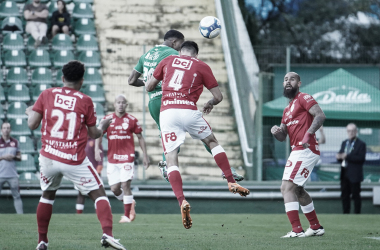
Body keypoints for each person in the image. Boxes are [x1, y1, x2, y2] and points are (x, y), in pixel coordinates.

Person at [146, 41, 250, 229]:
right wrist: (210, 102)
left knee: (171, 158)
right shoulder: (201, 65)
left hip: (168, 112)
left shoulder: (168, 60)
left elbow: (148, 86)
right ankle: (231, 181)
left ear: (180, 52)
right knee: (211, 141)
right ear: (196, 54)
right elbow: (218, 97)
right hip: (188, 110)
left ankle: (181, 201)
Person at [25, 61, 126, 250]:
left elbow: (32, 124)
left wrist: (30, 111)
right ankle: (108, 234)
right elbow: (94, 134)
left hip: (49, 157)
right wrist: (104, 126)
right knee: (99, 194)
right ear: (82, 81)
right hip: (73, 158)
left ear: (63, 78)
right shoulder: (85, 100)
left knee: (47, 195)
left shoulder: (47, 94)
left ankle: (42, 241)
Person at [128, 30, 244, 182]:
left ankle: (166, 166)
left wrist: (147, 83)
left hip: (153, 103)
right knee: (207, 138)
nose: (181, 50)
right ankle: (228, 170)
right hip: (171, 100)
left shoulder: (147, 55)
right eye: (180, 45)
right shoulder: (173, 55)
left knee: (167, 136)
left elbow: (131, 80)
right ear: (175, 42)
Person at [270, 72, 326, 238]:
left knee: (286, 187)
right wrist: (276, 132)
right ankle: (316, 227)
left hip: (305, 148)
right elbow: (282, 137)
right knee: (298, 190)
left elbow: (320, 115)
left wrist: (308, 133)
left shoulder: (304, 98)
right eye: (285, 79)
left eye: (292, 79)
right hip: (298, 150)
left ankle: (296, 230)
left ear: (299, 83)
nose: (288, 81)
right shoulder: (287, 109)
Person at [95, 95, 150, 223]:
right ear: (114, 104)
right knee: (114, 189)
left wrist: (145, 155)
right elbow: (98, 134)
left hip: (127, 157)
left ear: (126, 105)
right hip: (112, 159)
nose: (120, 104)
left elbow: (140, 137)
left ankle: (126, 216)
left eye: (123, 103)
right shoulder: (107, 120)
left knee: (125, 184)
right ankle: (130, 202)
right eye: (118, 102)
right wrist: (97, 148)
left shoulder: (132, 120)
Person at [336, 123, 366, 214]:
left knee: (356, 195)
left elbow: (361, 158)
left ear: (356, 131)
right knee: (344, 195)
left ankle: (357, 214)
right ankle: (346, 214)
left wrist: (347, 156)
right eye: (349, 131)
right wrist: (339, 157)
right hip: (344, 173)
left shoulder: (361, 144)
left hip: (355, 175)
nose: (351, 132)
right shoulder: (344, 143)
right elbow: (341, 155)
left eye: (353, 130)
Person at [75, 136, 104, 214]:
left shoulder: (95, 141)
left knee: (97, 193)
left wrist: (99, 168)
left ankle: (99, 213)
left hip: (94, 172)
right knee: (80, 193)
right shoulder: (80, 140)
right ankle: (79, 214)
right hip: (82, 171)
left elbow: (100, 155)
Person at [0, 122, 23, 214]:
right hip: (0, 174)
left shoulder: (15, 142)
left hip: (12, 175)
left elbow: (20, 157)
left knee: (17, 196)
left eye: (8, 128)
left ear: (10, 130)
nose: (6, 130)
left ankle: (21, 216)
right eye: (4, 128)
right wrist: (3, 157)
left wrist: (13, 157)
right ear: (1, 130)